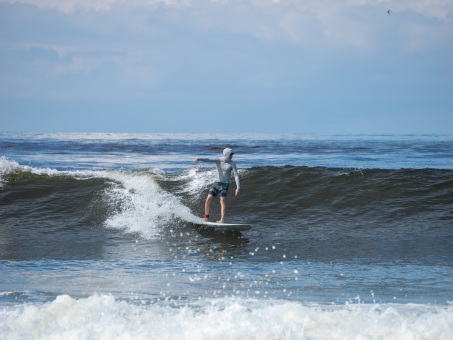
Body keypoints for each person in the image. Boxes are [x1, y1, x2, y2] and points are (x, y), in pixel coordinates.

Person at [193, 148, 240, 223]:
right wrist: (200, 158)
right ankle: (206, 217)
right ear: (227, 154)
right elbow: (208, 159)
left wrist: (238, 187)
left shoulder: (232, 163)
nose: (232, 156)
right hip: (217, 183)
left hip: (225, 184)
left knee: (222, 200)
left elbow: (236, 175)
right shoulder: (219, 160)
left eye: (232, 155)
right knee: (208, 198)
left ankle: (222, 220)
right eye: (231, 155)